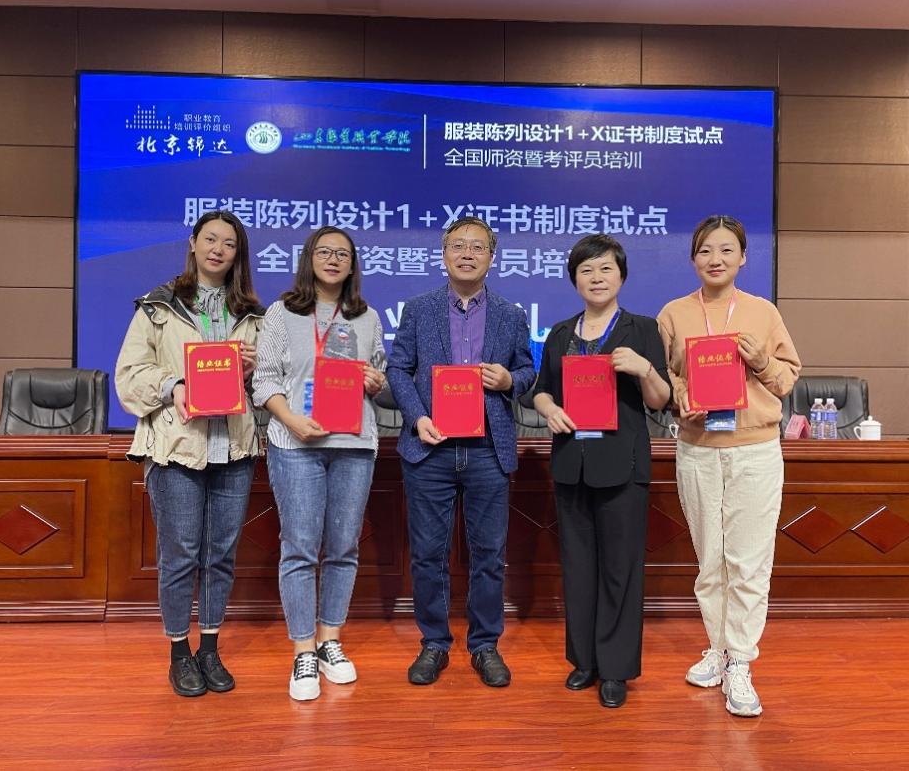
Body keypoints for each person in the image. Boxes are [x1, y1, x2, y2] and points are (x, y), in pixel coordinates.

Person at [115, 209, 264, 697]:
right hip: (177, 447)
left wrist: (255, 370)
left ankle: (210, 648)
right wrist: (173, 384)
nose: (219, 249)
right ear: (194, 244)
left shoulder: (253, 315)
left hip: (234, 448)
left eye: (229, 243)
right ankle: (180, 652)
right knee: (180, 555)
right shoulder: (158, 307)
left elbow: (271, 387)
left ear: (238, 255)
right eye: (211, 239)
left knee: (221, 556)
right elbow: (129, 375)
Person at [657, 214, 801, 718]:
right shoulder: (673, 314)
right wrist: (680, 397)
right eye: (705, 251)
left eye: (725, 250)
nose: (715, 260)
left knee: (748, 562)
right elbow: (663, 379)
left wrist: (761, 360)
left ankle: (740, 660)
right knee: (710, 561)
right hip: (697, 449)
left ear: (743, 257)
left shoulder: (763, 312)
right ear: (692, 259)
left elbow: (786, 380)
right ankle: (717, 649)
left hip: (754, 450)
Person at [387, 215, 535, 688]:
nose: (467, 253)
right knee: (428, 554)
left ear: (492, 258)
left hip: (489, 449)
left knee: (489, 554)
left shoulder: (511, 314)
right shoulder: (419, 309)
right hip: (430, 447)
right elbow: (397, 369)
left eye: (477, 246)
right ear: (444, 253)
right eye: (458, 245)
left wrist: (509, 380)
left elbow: (527, 372)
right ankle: (434, 642)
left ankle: (485, 644)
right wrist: (417, 417)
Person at [531, 234, 671, 708]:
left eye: (605, 268)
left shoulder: (642, 329)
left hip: (623, 464)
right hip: (572, 462)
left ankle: (615, 669)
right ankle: (584, 660)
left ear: (622, 276)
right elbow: (541, 390)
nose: (596, 277)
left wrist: (644, 369)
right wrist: (549, 409)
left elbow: (660, 400)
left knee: (620, 569)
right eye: (586, 270)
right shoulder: (559, 333)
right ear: (574, 279)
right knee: (578, 567)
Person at [253, 226, 387, 702]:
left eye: (342, 254)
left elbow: (378, 375)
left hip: (353, 443)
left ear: (352, 266)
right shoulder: (281, 313)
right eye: (324, 252)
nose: (333, 260)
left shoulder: (367, 316)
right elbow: (264, 379)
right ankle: (303, 649)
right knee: (300, 548)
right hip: (296, 444)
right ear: (309, 258)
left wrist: (376, 381)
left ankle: (330, 640)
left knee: (344, 547)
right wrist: (291, 420)